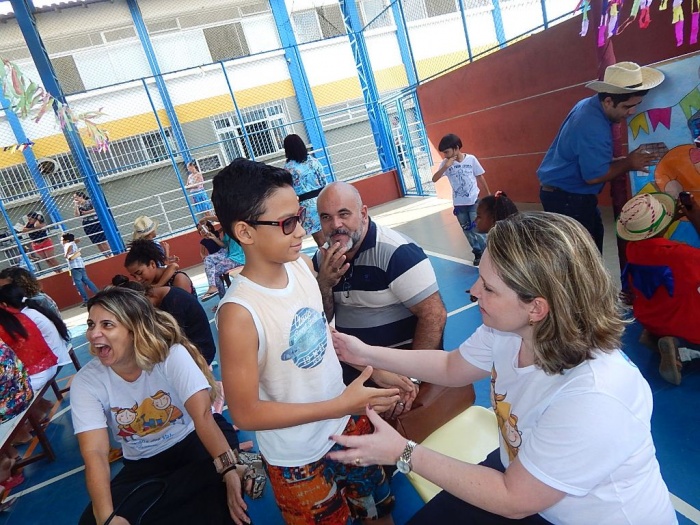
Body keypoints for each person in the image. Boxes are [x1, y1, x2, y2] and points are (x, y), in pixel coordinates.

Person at [327, 212, 677, 525]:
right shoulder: (510, 331)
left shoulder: (594, 396)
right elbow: (451, 366)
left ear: (536, 308)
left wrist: (403, 451)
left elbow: (513, 499)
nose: (473, 290)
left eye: (489, 288)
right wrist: (366, 353)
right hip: (522, 471)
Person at [211, 158, 399, 525]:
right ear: (245, 232)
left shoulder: (299, 266)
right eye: (287, 223)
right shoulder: (239, 314)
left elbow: (318, 335)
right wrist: (338, 405)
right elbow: (246, 412)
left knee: (378, 513)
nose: (302, 231)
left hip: (345, 425)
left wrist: (375, 370)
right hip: (298, 460)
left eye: (299, 216)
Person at [70, 287, 251, 525]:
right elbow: (95, 452)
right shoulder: (86, 382)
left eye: (107, 325)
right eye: (91, 324)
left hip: (194, 441)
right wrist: (107, 517)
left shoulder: (170, 356)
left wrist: (228, 469)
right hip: (142, 464)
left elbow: (204, 418)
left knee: (219, 510)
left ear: (134, 329)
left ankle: (231, 465)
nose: (94, 334)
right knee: (91, 522)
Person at [314, 181, 447, 412]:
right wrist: (324, 284)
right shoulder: (323, 259)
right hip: (357, 377)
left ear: (363, 213)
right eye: (326, 217)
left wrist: (412, 379)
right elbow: (322, 320)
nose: (335, 225)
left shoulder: (397, 253)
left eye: (344, 214)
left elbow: (434, 315)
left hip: (398, 380)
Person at [537, 61, 665, 252]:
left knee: (590, 244)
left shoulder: (589, 105)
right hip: (568, 198)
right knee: (584, 257)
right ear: (608, 101)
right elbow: (594, 176)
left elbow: (591, 160)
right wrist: (629, 163)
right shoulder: (592, 126)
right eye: (627, 106)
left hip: (566, 194)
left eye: (636, 105)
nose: (632, 112)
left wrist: (624, 162)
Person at [617, 192, 700, 385]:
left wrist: (668, 221)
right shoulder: (683, 255)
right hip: (684, 325)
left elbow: (653, 242)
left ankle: (656, 337)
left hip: (651, 319)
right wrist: (695, 217)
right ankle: (682, 350)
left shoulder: (632, 249)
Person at [112, 275, 217, 365]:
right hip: (187, 348)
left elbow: (172, 341)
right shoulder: (161, 299)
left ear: (145, 297)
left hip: (200, 353)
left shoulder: (175, 303)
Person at [432, 133, 491, 266]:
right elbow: (434, 179)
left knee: (478, 229)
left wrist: (488, 194)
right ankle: (477, 252)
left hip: (473, 201)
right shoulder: (446, 163)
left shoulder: (471, 159)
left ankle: (487, 254)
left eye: (447, 152)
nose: (445, 155)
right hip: (459, 205)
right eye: (443, 153)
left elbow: (480, 176)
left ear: (456, 148)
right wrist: (446, 166)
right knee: (467, 231)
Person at [0, 283, 72, 370]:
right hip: (58, 354)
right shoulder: (29, 309)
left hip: (54, 361)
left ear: (4, 305)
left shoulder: (25, 316)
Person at [283, 134, 328, 246]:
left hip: (307, 206)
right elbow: (323, 180)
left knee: (320, 241)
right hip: (321, 200)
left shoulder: (288, 168)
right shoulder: (313, 161)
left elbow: (290, 190)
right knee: (330, 233)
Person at [125, 239, 195, 296]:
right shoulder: (147, 287)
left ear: (152, 264)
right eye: (134, 276)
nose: (138, 279)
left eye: (140, 273)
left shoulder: (178, 279)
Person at [197, 220, 238, 301]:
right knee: (215, 275)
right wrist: (203, 256)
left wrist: (207, 219)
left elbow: (222, 228)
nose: (202, 231)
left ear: (209, 228)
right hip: (214, 259)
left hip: (221, 255)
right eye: (200, 230)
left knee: (226, 277)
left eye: (203, 228)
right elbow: (202, 252)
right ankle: (223, 298)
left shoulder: (215, 234)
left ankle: (230, 293)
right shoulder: (203, 241)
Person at [62, 232, 100, 307]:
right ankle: (99, 294)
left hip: (74, 266)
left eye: (63, 240)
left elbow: (69, 251)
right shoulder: (73, 243)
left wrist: (66, 255)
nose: (62, 241)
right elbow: (77, 240)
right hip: (81, 265)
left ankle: (86, 300)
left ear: (66, 240)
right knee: (87, 281)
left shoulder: (67, 245)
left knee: (79, 284)